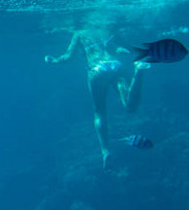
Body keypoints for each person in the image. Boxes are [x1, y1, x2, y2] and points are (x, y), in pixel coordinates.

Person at [45, 29, 149, 170]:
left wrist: (54, 61)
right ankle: (139, 72)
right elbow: (129, 48)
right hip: (116, 65)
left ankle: (105, 150)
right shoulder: (108, 27)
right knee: (131, 107)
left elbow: (68, 57)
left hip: (96, 69)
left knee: (100, 112)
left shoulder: (80, 33)